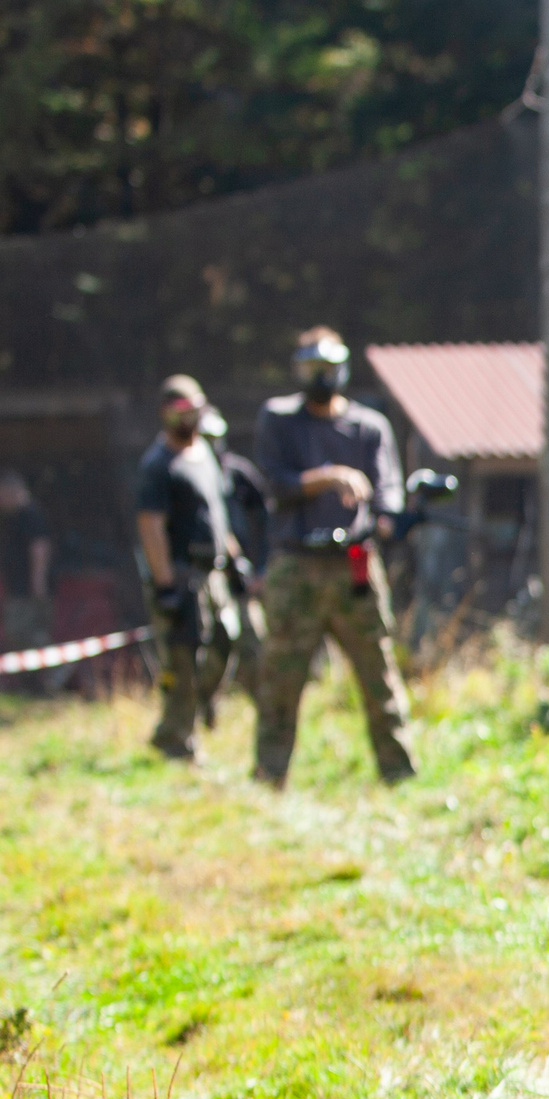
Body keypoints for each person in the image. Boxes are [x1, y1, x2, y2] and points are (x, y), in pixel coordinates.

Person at [250, 326, 417, 786]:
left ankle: (399, 774)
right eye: (310, 369)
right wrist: (330, 477)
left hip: (355, 564)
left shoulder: (369, 427)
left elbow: (387, 494)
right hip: (295, 566)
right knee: (280, 679)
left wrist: (389, 519)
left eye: (326, 369)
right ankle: (268, 777)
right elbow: (277, 484)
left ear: (341, 369)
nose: (319, 378)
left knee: (377, 674)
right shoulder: (278, 420)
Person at [133, 376, 245, 759]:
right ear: (165, 414)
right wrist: (165, 585)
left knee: (226, 641)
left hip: (212, 575)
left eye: (194, 408)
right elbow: (151, 526)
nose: (189, 417)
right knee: (182, 659)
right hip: (180, 578)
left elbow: (216, 516)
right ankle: (177, 740)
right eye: (180, 411)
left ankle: (198, 711)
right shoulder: (157, 465)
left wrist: (234, 560)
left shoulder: (205, 455)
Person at [199, 406, 268, 715]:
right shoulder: (188, 473)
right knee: (212, 650)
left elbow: (266, 518)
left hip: (242, 580)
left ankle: (267, 713)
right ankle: (206, 707)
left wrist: (261, 567)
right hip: (206, 579)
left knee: (255, 647)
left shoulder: (238, 473)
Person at [0, 470, 51, 687]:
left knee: (24, 632)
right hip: (19, 587)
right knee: (21, 632)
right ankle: (34, 683)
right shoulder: (16, 516)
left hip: (29, 589)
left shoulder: (30, 515)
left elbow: (39, 549)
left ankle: (51, 676)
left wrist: (37, 583)